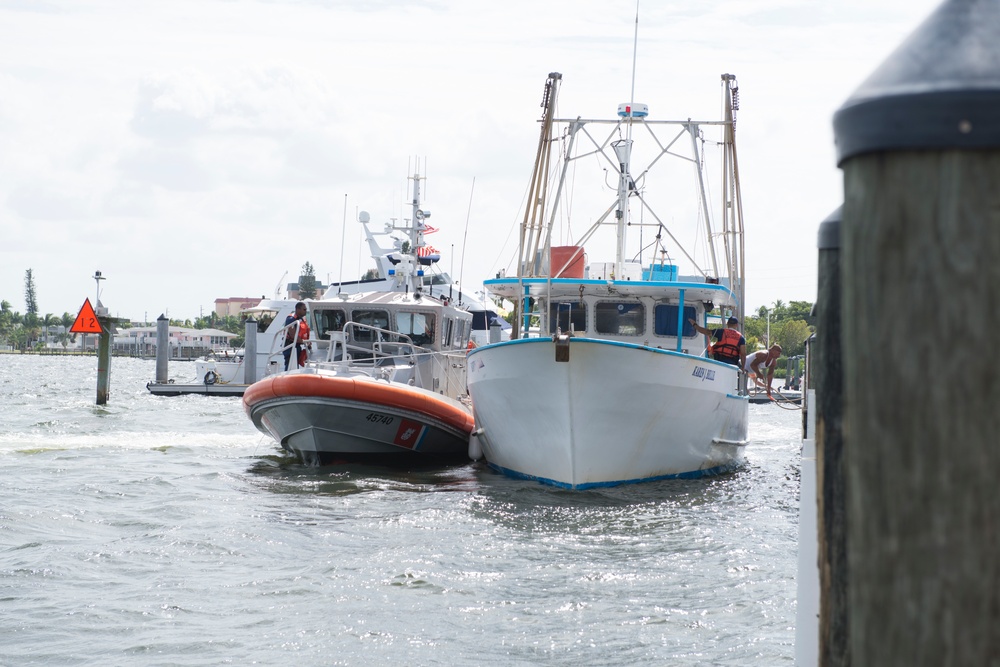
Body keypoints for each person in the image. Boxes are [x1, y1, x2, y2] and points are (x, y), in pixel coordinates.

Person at [282, 301, 310, 370]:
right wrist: (304, 341)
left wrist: (307, 343)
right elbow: (293, 335)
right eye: (304, 309)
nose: (306, 311)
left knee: (296, 364)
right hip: (290, 346)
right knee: (290, 364)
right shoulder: (291, 319)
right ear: (298, 309)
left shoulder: (302, 319)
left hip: (297, 345)